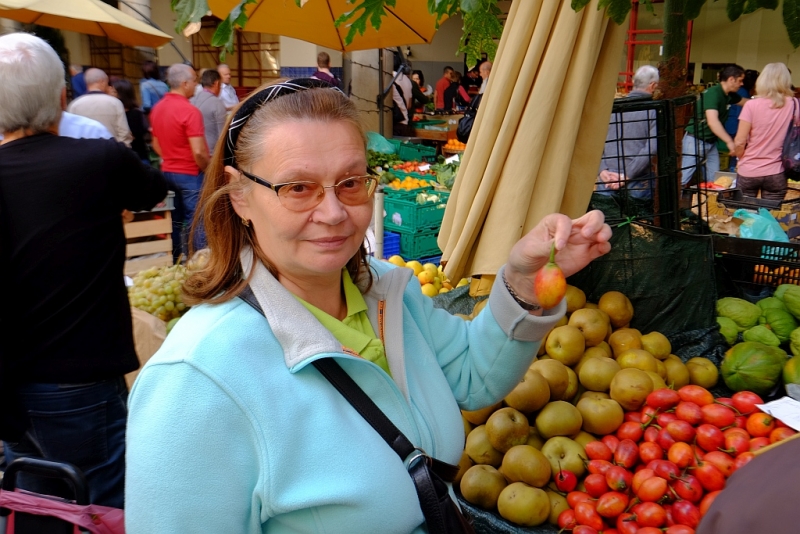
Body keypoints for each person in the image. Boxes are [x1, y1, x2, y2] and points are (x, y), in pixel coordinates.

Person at [124, 76, 611, 532]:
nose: (334, 212)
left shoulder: (389, 290)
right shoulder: (197, 379)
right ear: (240, 197)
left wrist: (526, 282)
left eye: (351, 182)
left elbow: (473, 377)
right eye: (298, 188)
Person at [0, 32, 167, 508]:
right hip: (78, 382)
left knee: (37, 504)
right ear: (61, 96)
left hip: (10, 384)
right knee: (102, 504)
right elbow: (151, 190)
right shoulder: (98, 161)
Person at [150, 63, 210, 259]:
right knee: (197, 221)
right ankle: (200, 263)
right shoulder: (190, 111)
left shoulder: (157, 109)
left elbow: (156, 145)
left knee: (174, 221)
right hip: (191, 174)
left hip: (167, 171)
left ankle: (176, 260)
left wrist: (170, 157)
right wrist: (209, 169)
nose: (196, 85)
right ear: (184, 83)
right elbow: (199, 151)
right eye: (194, 81)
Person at [733, 63, 796, 201]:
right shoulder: (795, 104)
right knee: (770, 217)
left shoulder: (751, 105)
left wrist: (741, 158)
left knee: (745, 216)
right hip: (777, 171)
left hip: (749, 170)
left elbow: (739, 141)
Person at [596, 65, 660, 199]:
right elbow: (652, 148)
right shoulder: (654, 111)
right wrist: (626, 175)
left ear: (633, 82)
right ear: (653, 85)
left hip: (607, 178)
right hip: (637, 179)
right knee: (639, 219)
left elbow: (596, 142)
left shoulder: (611, 108)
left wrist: (602, 170)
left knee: (606, 218)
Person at [681, 64, 745, 185]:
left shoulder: (729, 95)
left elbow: (748, 103)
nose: (742, 84)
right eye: (740, 80)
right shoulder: (713, 93)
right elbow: (712, 122)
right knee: (683, 178)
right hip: (695, 140)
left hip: (710, 142)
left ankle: (710, 203)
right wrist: (729, 142)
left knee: (715, 180)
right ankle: (673, 202)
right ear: (731, 79)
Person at [67, 68, 133, 146]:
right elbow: (124, 133)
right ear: (102, 81)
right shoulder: (115, 103)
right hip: (111, 152)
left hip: (85, 154)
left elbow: (70, 134)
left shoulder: (74, 105)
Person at [113, 78, 151, 164]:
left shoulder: (134, 113)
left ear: (121, 94)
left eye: (114, 92)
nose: (111, 94)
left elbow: (134, 135)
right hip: (135, 155)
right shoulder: (135, 112)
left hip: (137, 156)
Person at [191, 68, 227, 154]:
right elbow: (222, 135)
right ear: (216, 83)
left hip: (192, 151)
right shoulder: (217, 103)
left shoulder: (191, 100)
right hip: (211, 153)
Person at [456, 61, 492, 143]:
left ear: (486, 72)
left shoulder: (487, 82)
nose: (480, 75)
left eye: (481, 72)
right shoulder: (486, 82)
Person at [392, 59, 415, 136]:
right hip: (404, 122)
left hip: (395, 124)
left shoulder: (390, 77)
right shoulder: (408, 81)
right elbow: (409, 106)